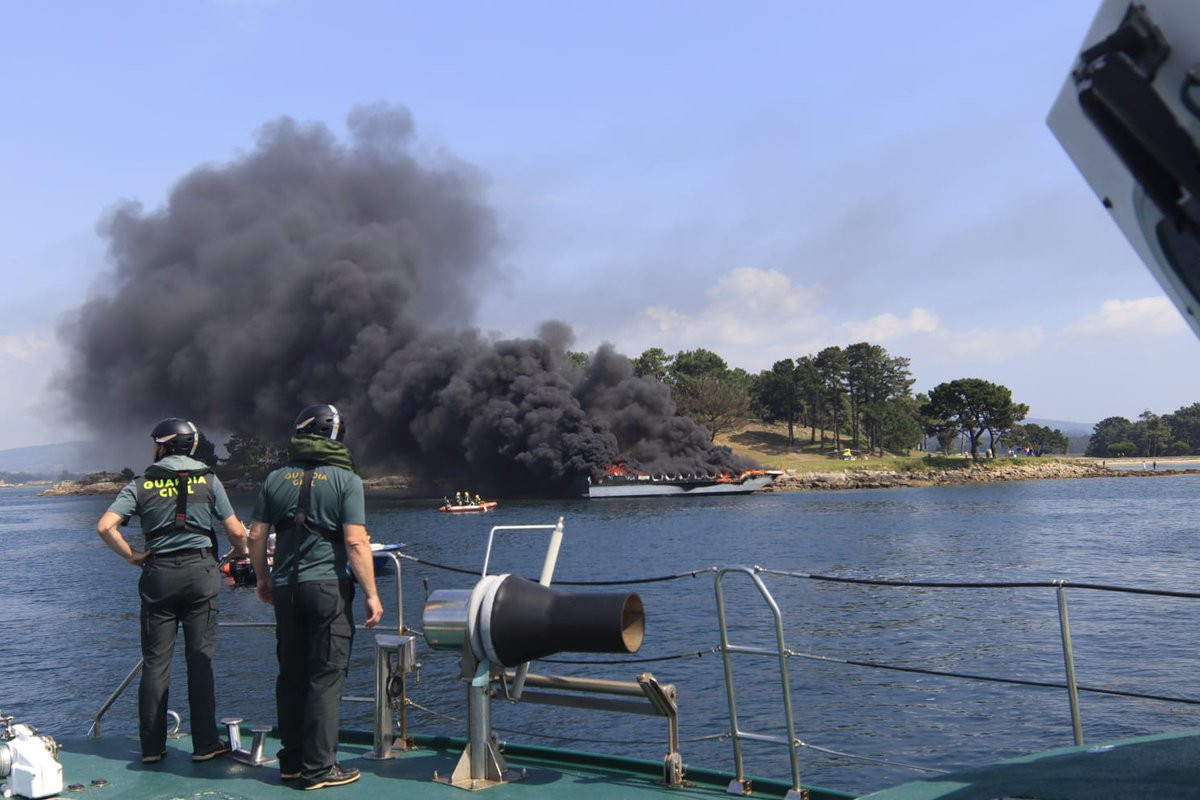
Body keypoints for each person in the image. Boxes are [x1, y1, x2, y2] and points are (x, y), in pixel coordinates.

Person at [96, 418, 249, 764]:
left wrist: (133, 556)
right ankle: (206, 744)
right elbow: (237, 533)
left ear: (163, 446)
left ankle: (151, 748)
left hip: (158, 576)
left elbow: (105, 527)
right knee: (200, 661)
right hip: (201, 575)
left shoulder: (141, 484)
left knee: (155, 664)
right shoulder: (209, 480)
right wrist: (239, 553)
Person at [248, 404, 383, 790]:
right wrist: (372, 595)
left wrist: (262, 578)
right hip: (328, 589)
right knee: (325, 677)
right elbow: (356, 542)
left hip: (286, 590)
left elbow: (255, 536)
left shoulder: (275, 478)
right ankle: (320, 769)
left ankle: (290, 763)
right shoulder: (346, 480)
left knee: (290, 675)